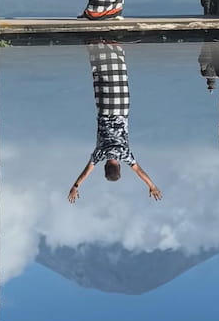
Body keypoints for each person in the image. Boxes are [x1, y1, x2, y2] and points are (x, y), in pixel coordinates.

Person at [67, 40, 162, 202]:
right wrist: (75, 186)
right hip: (104, 111)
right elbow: (86, 171)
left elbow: (139, 171)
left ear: (119, 167)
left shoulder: (124, 154)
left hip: (121, 110)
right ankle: (96, 48)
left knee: (119, 79)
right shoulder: (99, 154)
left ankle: (116, 48)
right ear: (105, 166)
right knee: (101, 80)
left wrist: (152, 186)